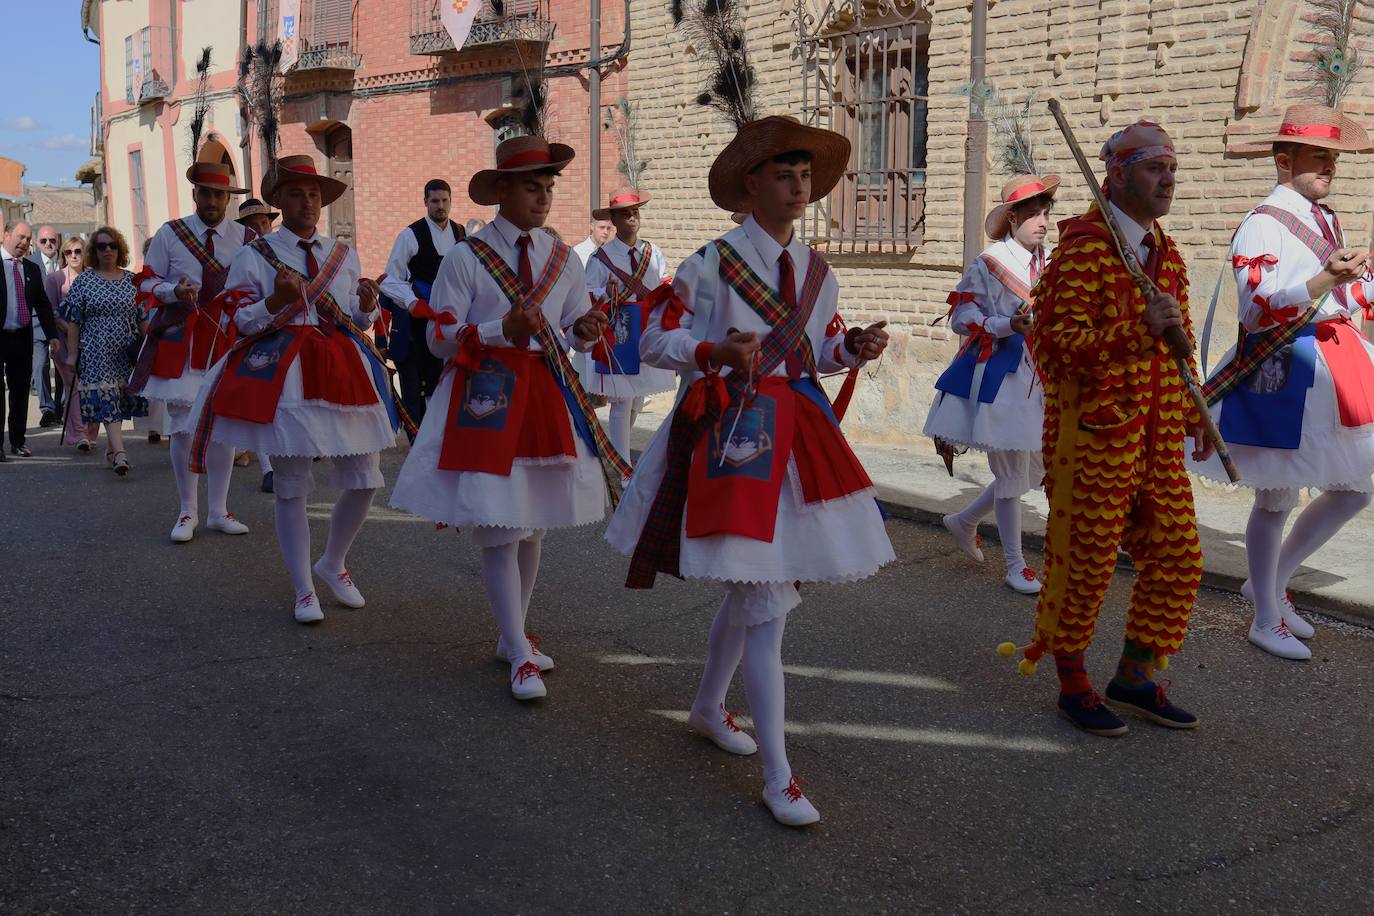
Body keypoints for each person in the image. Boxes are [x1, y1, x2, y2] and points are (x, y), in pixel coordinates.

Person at [605, 112, 894, 826]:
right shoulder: (709, 262)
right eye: (784, 175)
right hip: (730, 437)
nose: (798, 188)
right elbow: (652, 341)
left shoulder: (819, 271)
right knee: (764, 603)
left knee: (758, 591)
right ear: (752, 183)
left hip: (799, 438)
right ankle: (779, 776)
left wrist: (851, 348)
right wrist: (711, 354)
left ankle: (707, 706)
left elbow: (818, 351)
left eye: (806, 177)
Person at [390, 134, 617, 701]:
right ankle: (518, 650)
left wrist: (585, 331)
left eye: (547, 188)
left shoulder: (562, 257)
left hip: (542, 392)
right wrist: (500, 331)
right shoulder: (467, 256)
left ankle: (511, 635)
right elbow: (440, 337)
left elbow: (574, 322)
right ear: (502, 191)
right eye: (531, 187)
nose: (542, 198)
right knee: (499, 525)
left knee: (533, 519)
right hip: (483, 395)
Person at [1006, 121, 1209, 738]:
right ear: (1116, 176)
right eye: (1153, 167)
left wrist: (1194, 402)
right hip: (1095, 437)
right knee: (1087, 564)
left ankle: (1136, 678)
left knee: (1178, 555)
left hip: (1157, 435)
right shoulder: (1086, 247)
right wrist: (1136, 330)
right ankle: (1073, 684)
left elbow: (1178, 339)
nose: (1167, 178)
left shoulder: (1164, 252)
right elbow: (1056, 346)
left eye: (1171, 167)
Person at [1192, 105, 1374, 660]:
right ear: (1283, 159)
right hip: (1283, 366)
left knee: (1357, 489)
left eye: (1333, 157)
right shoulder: (1263, 221)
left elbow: (1339, 295)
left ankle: (1269, 582)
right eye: (1319, 156)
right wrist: (1325, 278)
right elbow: (1257, 304)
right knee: (1276, 498)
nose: (1330, 166)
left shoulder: (1326, 218)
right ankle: (1265, 617)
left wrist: (1356, 286)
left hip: (1334, 361)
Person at [189, 154, 397, 624]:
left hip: (341, 368)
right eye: (298, 193)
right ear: (278, 201)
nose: (308, 202)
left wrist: (365, 309)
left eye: (315, 194)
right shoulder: (255, 254)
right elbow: (237, 320)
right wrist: (276, 300)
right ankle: (303, 587)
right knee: (291, 484)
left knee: (365, 478)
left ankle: (333, 562)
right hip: (285, 374)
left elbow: (354, 318)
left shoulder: (342, 254)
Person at [926, 174, 1056, 595]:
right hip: (1002, 377)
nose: (1042, 222)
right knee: (1012, 470)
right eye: (1033, 214)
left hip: (1040, 378)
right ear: (1012, 218)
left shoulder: (1050, 260)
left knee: (1032, 469)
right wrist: (1005, 324)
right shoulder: (990, 262)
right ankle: (1016, 565)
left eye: (1045, 213)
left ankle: (963, 520)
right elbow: (962, 318)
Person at [137, 158, 253, 544]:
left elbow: (255, 288)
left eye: (220, 194)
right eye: (206, 193)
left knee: (224, 425)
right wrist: (173, 291)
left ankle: (219, 511)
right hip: (183, 339)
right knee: (183, 425)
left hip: (225, 338)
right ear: (195, 194)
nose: (213, 200)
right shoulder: (171, 234)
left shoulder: (247, 238)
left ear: (228, 198)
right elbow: (146, 282)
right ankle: (188, 510)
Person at [581, 188, 678, 464]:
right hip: (620, 328)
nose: (632, 218)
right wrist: (605, 292)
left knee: (638, 397)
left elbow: (664, 282)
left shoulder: (652, 251)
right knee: (621, 399)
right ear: (614, 219)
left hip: (647, 326)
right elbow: (587, 292)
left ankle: (634, 458)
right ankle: (622, 464)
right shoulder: (601, 257)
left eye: (635, 212)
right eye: (625, 214)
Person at [58, 227, 148, 475]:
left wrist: (151, 345)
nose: (107, 250)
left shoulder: (132, 280)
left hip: (125, 351)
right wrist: (72, 355)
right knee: (106, 399)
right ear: (94, 251)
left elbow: (142, 318)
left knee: (118, 400)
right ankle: (120, 453)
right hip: (95, 350)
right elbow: (74, 321)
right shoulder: (85, 281)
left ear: (120, 250)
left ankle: (111, 449)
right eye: (101, 246)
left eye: (112, 246)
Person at [381, 178, 466, 434]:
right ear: (425, 202)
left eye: (444, 200)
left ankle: (444, 436)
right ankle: (418, 439)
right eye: (435, 201)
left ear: (450, 201)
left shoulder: (461, 233)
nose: (440, 206)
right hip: (418, 321)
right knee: (416, 385)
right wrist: (412, 302)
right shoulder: (410, 234)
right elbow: (390, 279)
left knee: (448, 381)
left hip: (452, 319)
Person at [1, 221, 58, 460]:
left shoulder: (31, 269)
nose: (24, 243)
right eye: (20, 237)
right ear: (5, 235)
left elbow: (43, 305)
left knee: (21, 391)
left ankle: (17, 441)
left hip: (22, 337)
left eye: (27, 239)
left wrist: (53, 335)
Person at [235, 196, 281, 492]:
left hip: (287, 335)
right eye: (252, 226)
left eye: (263, 223)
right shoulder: (242, 256)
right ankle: (268, 469)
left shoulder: (286, 250)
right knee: (259, 402)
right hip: (254, 334)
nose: (259, 229)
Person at [48, 236, 100, 450]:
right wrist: (69, 329)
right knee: (75, 387)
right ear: (63, 256)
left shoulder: (93, 278)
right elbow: (49, 311)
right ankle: (79, 435)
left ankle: (91, 433)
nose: (74, 256)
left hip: (93, 343)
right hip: (64, 343)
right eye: (69, 252)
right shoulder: (54, 279)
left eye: (78, 251)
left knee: (94, 387)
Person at [28, 226, 61, 427]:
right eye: (44, 241)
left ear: (57, 240)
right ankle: (47, 409)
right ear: (37, 243)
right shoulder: (30, 263)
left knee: (62, 367)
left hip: (62, 324)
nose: (48, 244)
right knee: (40, 366)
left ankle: (61, 407)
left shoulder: (68, 259)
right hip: (36, 322)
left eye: (52, 240)